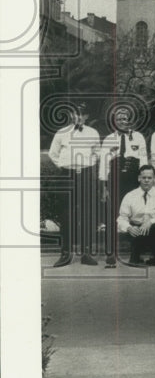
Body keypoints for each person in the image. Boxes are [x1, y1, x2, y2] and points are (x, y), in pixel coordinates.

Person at [47, 103, 102, 267]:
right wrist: (65, 166)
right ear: (71, 115)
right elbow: (52, 153)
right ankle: (65, 253)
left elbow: (97, 153)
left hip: (85, 175)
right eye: (75, 114)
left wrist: (87, 164)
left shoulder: (93, 133)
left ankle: (86, 253)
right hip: (66, 176)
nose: (78, 117)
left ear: (87, 117)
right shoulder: (61, 133)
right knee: (66, 214)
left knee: (87, 214)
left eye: (82, 114)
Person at [99, 107, 150, 268]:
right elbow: (103, 164)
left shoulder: (138, 137)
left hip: (133, 181)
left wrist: (144, 183)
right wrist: (104, 186)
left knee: (135, 215)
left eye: (126, 118)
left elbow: (143, 160)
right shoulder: (109, 139)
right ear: (114, 121)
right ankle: (111, 254)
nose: (123, 121)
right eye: (119, 119)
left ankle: (136, 253)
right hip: (115, 180)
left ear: (131, 120)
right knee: (112, 215)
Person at [117, 165, 155, 266]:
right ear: (139, 178)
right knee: (134, 261)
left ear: (154, 179)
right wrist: (129, 228)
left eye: (149, 178)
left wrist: (150, 222)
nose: (146, 180)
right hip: (137, 229)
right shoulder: (130, 196)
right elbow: (122, 218)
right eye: (144, 178)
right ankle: (135, 257)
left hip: (153, 229)